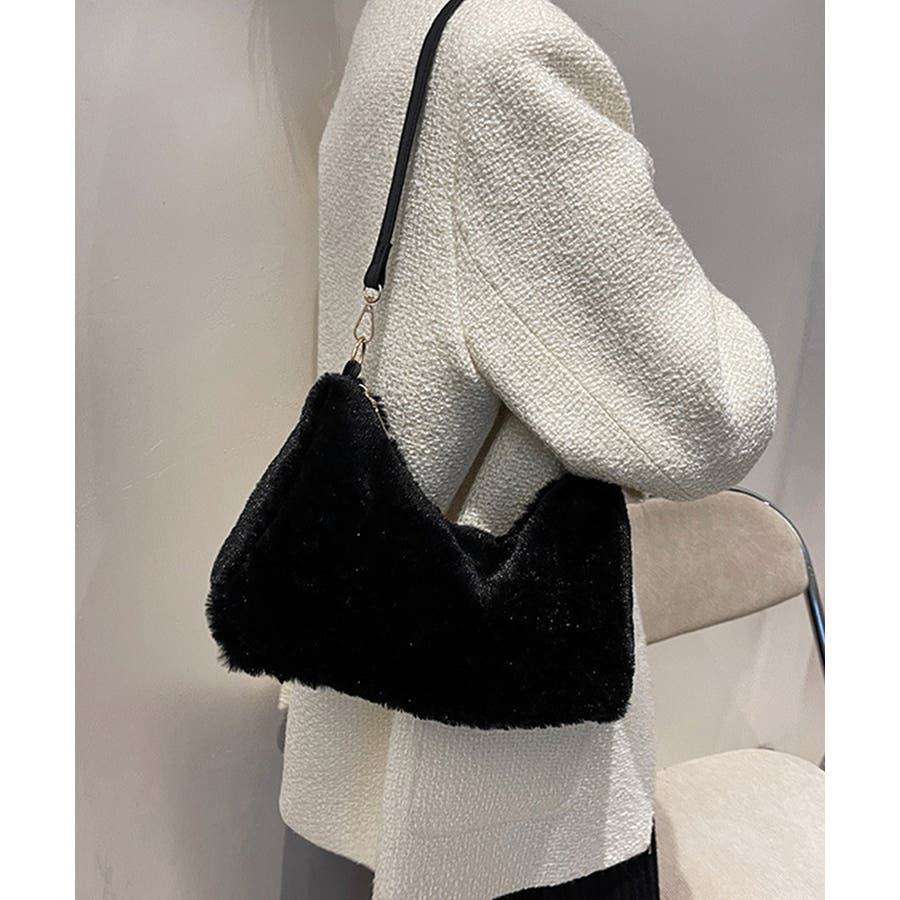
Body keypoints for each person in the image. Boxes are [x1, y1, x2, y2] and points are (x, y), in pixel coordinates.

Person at [279, 0, 776, 897]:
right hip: (504, 781)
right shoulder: (505, 59)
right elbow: (714, 412)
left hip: (373, 718)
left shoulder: (396, 29)